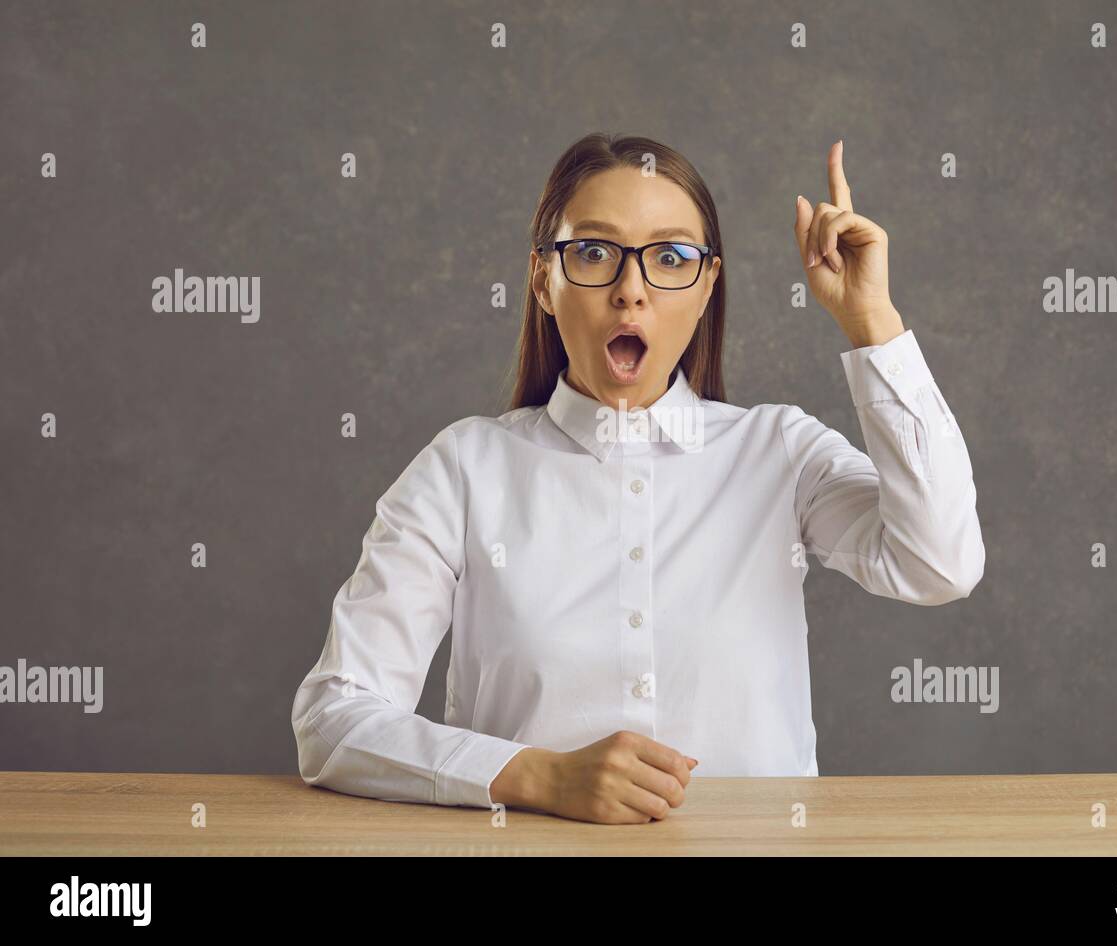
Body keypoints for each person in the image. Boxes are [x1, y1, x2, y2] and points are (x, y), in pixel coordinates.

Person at [291, 132, 984, 825]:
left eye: (671, 257)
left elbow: (938, 563)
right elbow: (334, 717)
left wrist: (872, 323)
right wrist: (537, 775)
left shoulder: (780, 451)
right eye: (593, 253)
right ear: (542, 278)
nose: (632, 291)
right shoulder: (463, 469)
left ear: (708, 284)